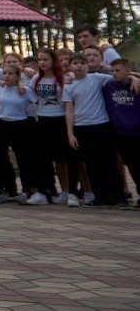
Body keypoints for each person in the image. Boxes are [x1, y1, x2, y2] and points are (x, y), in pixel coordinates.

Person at [64, 53, 135, 207]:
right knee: (91, 164)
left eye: (82, 62)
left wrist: (134, 78)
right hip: (82, 128)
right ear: (70, 66)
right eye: (75, 63)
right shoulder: (68, 86)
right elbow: (69, 111)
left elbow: (120, 76)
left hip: (102, 126)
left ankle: (120, 195)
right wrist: (70, 134)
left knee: (109, 163)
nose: (79, 66)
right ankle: (100, 196)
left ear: (87, 65)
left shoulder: (97, 78)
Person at [31, 48, 74, 205]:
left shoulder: (63, 78)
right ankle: (44, 191)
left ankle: (69, 191)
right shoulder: (36, 78)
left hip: (60, 119)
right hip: (43, 119)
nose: (42, 62)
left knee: (64, 158)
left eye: (46, 59)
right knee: (43, 157)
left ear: (53, 61)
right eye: (40, 60)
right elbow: (31, 94)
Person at [0, 65, 40, 204]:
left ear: (18, 77)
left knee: (23, 159)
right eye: (5, 73)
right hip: (2, 124)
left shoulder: (24, 90)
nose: (7, 76)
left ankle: (26, 190)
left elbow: (37, 101)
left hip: (20, 124)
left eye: (11, 74)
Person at [104, 59, 140, 207]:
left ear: (127, 70)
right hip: (120, 133)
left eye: (118, 70)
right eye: (112, 71)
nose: (114, 74)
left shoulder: (135, 84)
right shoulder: (109, 85)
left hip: (137, 132)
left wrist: (134, 77)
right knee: (132, 165)